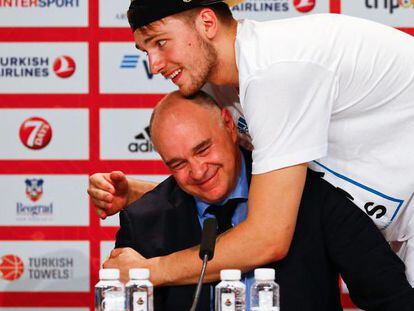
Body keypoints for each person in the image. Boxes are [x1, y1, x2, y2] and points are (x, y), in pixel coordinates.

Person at [90, 0, 414, 286]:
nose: (154, 64)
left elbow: (267, 238)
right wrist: (144, 195)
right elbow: (245, 192)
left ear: (207, 22)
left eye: (161, 43)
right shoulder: (224, 84)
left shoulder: (275, 72)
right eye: (145, 51)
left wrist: (150, 271)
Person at [104, 91, 414, 311]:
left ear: (228, 124)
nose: (198, 171)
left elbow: (389, 294)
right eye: (178, 164)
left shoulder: (308, 193)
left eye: (203, 150)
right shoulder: (145, 218)